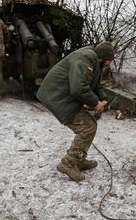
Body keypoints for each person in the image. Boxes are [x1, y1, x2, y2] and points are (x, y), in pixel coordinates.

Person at [36, 41, 115, 182]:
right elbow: (79, 89)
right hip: (57, 96)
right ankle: (68, 164)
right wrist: (95, 103)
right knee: (87, 127)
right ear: (103, 57)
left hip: (63, 95)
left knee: (90, 125)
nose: (109, 64)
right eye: (109, 60)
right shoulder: (84, 59)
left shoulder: (93, 60)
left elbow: (95, 84)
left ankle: (78, 159)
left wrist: (103, 99)